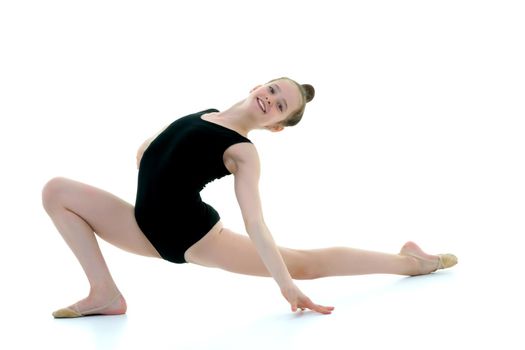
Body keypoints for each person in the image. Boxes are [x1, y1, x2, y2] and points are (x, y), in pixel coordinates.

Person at [42, 77, 457, 318]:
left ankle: (412, 263)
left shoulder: (242, 151)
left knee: (304, 263)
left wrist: (286, 285)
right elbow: (154, 153)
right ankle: (105, 294)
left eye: (279, 106)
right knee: (56, 190)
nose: (270, 99)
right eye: (273, 89)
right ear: (258, 82)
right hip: (143, 225)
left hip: (193, 237)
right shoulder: (202, 112)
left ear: (276, 125)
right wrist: (150, 154)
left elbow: (255, 222)